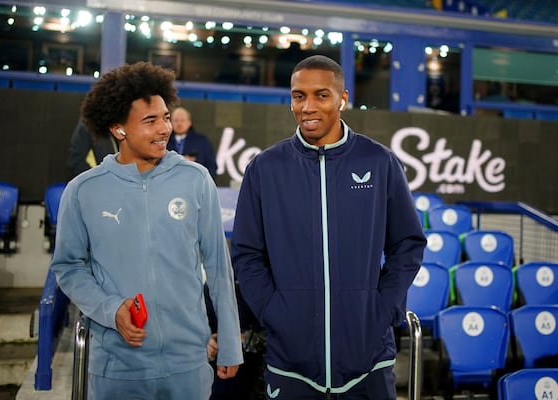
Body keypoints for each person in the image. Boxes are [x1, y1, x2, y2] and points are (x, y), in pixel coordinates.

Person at [230, 55, 426, 399]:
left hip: (367, 358)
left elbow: (407, 243)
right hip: (290, 361)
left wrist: (383, 309)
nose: (307, 106)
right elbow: (247, 254)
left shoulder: (379, 162)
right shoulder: (264, 168)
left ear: (343, 99)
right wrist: (272, 312)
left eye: (321, 95)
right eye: (298, 96)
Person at [50, 61, 243, 400]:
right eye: (150, 121)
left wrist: (228, 339)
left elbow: (218, 268)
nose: (164, 128)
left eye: (166, 117)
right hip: (117, 367)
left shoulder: (196, 180)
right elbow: (68, 267)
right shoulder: (83, 191)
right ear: (118, 128)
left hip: (188, 363)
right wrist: (110, 309)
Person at [167, 106, 218, 180]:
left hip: (194, 185)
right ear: (170, 122)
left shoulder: (202, 141)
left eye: (182, 120)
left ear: (189, 122)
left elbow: (212, 167)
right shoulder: (164, 141)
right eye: (176, 120)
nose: (179, 123)